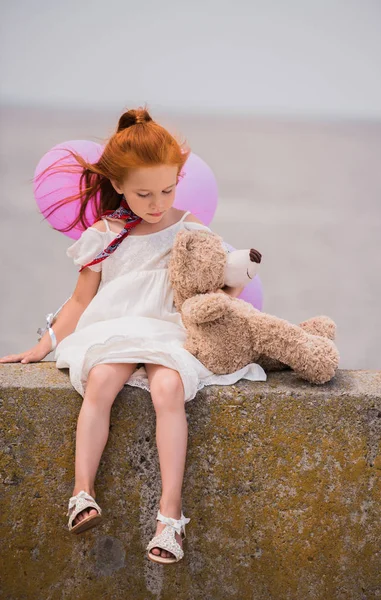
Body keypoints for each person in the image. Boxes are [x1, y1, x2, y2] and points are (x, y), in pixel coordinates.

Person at [0, 106, 266, 564]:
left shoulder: (190, 229)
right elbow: (81, 301)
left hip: (168, 329)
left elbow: (222, 279)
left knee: (168, 388)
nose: (157, 203)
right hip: (115, 326)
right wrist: (43, 344)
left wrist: (234, 281)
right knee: (102, 381)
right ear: (118, 184)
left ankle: (170, 515)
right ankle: (82, 493)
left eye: (168, 189)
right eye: (144, 193)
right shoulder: (106, 232)